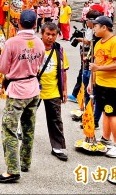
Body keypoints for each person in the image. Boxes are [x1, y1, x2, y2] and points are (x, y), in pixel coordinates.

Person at [0, 9, 45, 184]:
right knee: (28, 128)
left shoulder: (12, 42)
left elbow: (2, 68)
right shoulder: (39, 42)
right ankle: (25, 161)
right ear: (35, 24)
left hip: (17, 90)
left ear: (19, 23)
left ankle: (12, 170)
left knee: (9, 130)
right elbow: (39, 63)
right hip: (33, 88)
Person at [87, 15, 116, 158]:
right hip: (101, 84)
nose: (94, 29)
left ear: (104, 27)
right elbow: (95, 66)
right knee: (105, 112)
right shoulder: (99, 43)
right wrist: (92, 81)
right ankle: (105, 138)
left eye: (95, 27)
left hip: (113, 85)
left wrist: (98, 69)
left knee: (112, 114)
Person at [38, 22, 69, 161]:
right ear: (42, 34)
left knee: (56, 119)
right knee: (28, 114)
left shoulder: (59, 50)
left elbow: (63, 71)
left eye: (53, 35)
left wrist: (64, 89)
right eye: (47, 34)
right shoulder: (34, 48)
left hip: (53, 90)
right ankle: (22, 135)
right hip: (35, 89)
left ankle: (57, 147)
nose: (50, 37)